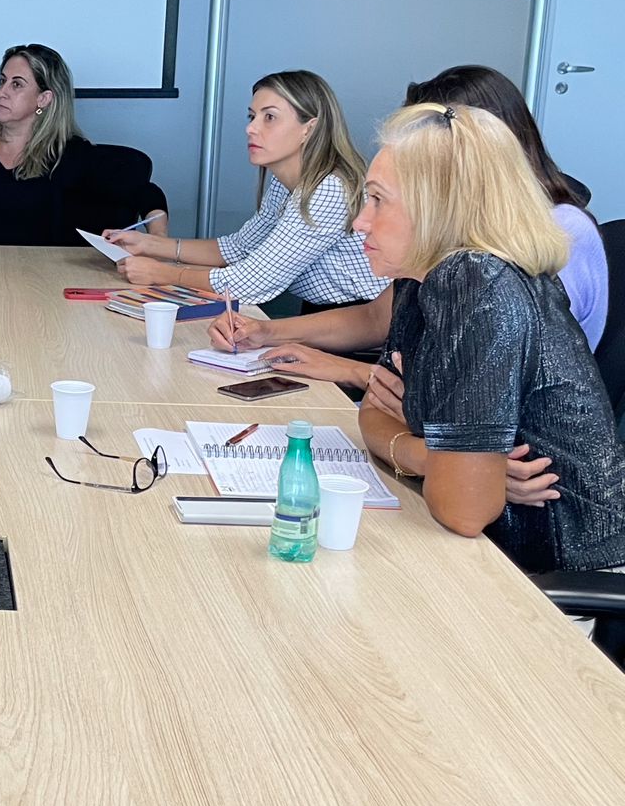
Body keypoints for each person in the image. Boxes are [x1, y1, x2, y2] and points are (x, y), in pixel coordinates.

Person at [209, 65, 608, 394]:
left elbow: (493, 391)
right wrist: (266, 332)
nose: (363, 222)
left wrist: (357, 375)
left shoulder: (551, 233)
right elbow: (376, 318)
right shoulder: (451, 230)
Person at [355, 102, 625, 572]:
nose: (360, 221)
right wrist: (437, 457)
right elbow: (373, 412)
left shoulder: (478, 283)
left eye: (378, 200)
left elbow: (463, 510)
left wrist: (450, 464)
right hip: (488, 549)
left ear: (437, 208)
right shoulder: (419, 278)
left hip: (561, 573)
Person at [106, 70, 386, 306]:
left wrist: (163, 274)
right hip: (325, 312)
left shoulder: (328, 189)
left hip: (362, 321)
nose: (251, 128)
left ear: (309, 129)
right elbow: (238, 249)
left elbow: (250, 282)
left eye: (269, 117)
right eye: (252, 117)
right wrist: (150, 245)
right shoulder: (284, 181)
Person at [0, 43, 168, 246]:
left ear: (44, 98)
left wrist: (159, 241)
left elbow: (146, 192)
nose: (2, 92)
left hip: (43, 280)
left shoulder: (70, 154)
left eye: (16, 84)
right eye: (2, 81)